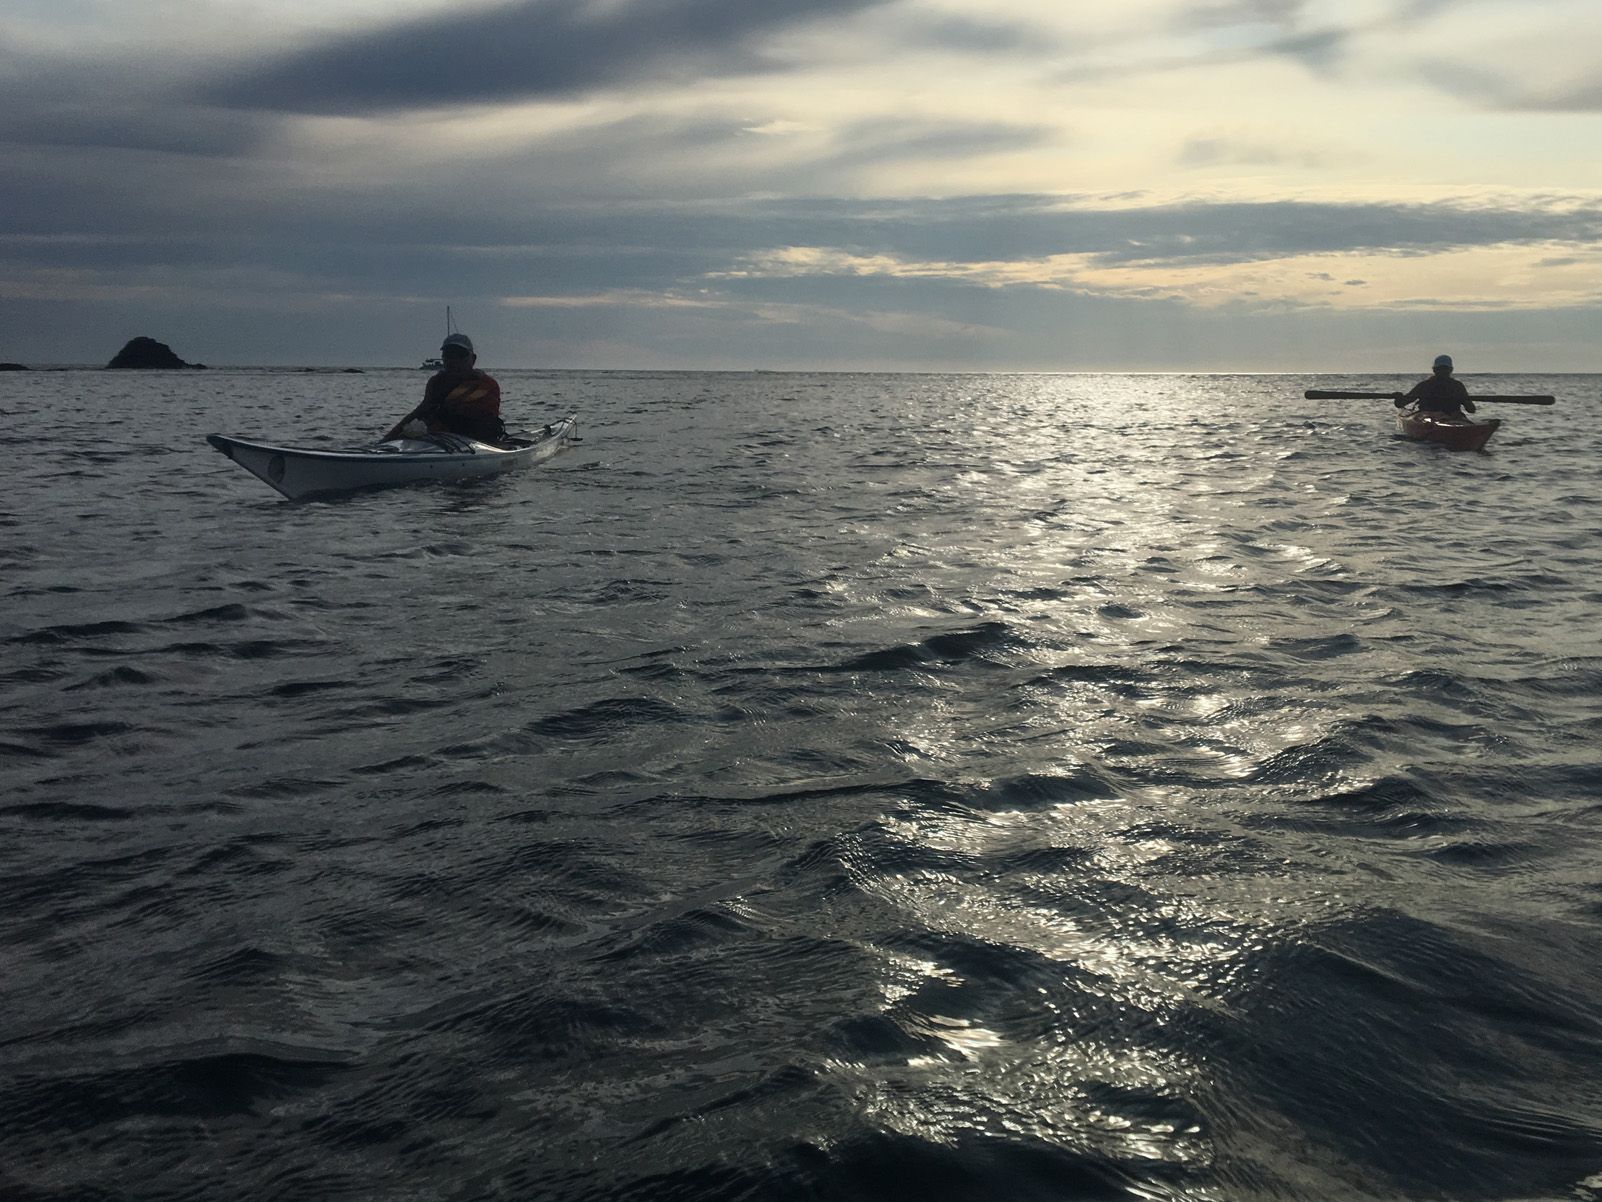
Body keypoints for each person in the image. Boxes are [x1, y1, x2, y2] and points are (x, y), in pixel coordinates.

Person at [385, 332, 504, 442]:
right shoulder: (436, 383)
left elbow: (486, 421)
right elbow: (420, 412)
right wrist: (387, 439)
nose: (454, 360)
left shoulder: (486, 385)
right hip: (438, 440)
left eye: (461, 355)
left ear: (473, 359)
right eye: (449, 355)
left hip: (475, 441)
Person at [1396, 354, 1476, 416]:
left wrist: (1398, 397)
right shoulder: (1457, 386)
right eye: (1441, 369)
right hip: (1448, 417)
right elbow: (1471, 409)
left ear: (1434, 369)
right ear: (1451, 370)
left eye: (1444, 369)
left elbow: (1400, 403)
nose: (1442, 372)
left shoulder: (1424, 385)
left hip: (1436, 418)